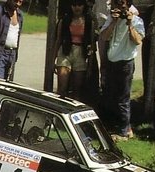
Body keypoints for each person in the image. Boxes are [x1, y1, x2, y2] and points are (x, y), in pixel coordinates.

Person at [100, 0, 144, 140]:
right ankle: (118, 126)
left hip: (126, 62)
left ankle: (124, 131)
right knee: (111, 95)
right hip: (112, 61)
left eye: (123, 5)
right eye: (118, 4)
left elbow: (138, 41)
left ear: (128, 6)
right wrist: (113, 21)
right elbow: (104, 37)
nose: (121, 8)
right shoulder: (111, 18)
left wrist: (129, 23)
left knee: (123, 98)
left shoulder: (137, 20)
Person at [53, 0, 96, 101]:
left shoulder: (89, 22)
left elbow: (92, 44)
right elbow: (58, 40)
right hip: (65, 51)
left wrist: (90, 65)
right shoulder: (64, 20)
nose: (77, 8)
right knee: (62, 88)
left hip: (81, 53)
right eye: (74, 5)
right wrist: (52, 60)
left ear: (83, 6)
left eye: (79, 5)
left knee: (77, 90)